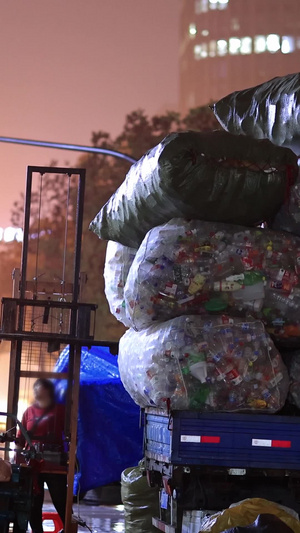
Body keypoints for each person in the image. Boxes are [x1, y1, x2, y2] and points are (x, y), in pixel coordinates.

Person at [16, 379, 67, 533]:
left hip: (54, 463)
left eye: (41, 389)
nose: (38, 392)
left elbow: (73, 434)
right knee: (33, 503)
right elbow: (20, 439)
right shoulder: (28, 412)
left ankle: (68, 528)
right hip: (32, 464)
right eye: (36, 389)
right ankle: (37, 531)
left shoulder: (61, 411)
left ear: (48, 391)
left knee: (60, 500)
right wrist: (17, 460)